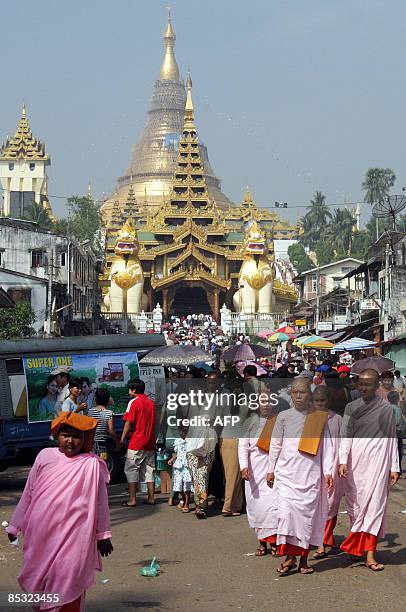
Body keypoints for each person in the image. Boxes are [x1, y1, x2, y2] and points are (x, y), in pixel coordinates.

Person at [6, 412, 113, 611]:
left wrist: (103, 535)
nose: (70, 441)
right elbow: (29, 493)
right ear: (57, 435)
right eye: (66, 435)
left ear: (84, 439)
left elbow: (100, 502)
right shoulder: (45, 456)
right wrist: (15, 525)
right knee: (41, 582)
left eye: (76, 436)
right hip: (41, 535)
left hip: (75, 536)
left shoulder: (91, 464)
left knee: (69, 578)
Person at [266, 378, 333, 575]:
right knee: (286, 516)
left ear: (310, 394)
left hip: (310, 475)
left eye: (302, 392)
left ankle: (303, 560)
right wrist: (271, 469)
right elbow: (275, 444)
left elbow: (327, 446)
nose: (298, 396)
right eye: (294, 392)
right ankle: (289, 557)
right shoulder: (284, 416)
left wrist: (328, 471)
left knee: (306, 520)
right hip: (286, 475)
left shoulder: (319, 418)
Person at [339, 369, 400, 571]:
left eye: (369, 384)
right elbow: (345, 436)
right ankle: (358, 548)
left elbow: (392, 438)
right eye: (361, 384)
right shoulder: (351, 407)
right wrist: (342, 461)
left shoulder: (385, 408)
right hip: (356, 461)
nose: (364, 387)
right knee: (356, 508)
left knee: (375, 507)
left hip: (379, 460)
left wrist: (394, 466)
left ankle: (371, 554)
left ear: (377, 386)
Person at [238, 396, 277, 556]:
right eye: (263, 402)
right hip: (253, 471)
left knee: (273, 507)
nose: (266, 405)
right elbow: (242, 446)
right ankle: (262, 543)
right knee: (257, 507)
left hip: (273, 469)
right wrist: (244, 467)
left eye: (268, 402)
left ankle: (274, 543)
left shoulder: (277, 421)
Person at [312, 386, 344, 558]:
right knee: (317, 504)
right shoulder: (307, 418)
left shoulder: (337, 418)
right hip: (314, 468)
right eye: (316, 401)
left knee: (332, 504)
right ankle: (320, 543)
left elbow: (343, 443)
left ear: (329, 401)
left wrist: (342, 463)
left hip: (334, 465)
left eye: (322, 401)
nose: (319, 404)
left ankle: (327, 539)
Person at [120, 379, 156, 507]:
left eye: (129, 389)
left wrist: (122, 439)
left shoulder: (133, 402)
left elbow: (128, 423)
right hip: (150, 442)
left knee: (131, 469)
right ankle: (151, 497)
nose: (129, 392)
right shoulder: (151, 403)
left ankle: (132, 499)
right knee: (149, 470)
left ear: (133, 390)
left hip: (137, 441)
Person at [88, 388, 118, 461]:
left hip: (91, 445)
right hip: (102, 445)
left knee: (92, 466)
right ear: (108, 400)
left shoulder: (90, 412)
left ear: (95, 399)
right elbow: (111, 432)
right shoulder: (108, 413)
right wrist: (118, 442)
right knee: (102, 465)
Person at [168, 428, 192, 513]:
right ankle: (184, 499)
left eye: (184, 431)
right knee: (179, 485)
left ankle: (187, 504)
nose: (182, 433)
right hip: (178, 465)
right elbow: (177, 453)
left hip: (187, 465)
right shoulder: (177, 440)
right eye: (180, 431)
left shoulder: (191, 440)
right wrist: (172, 459)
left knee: (187, 484)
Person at [387, 390, 404, 478]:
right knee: (398, 452)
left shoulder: (386, 407)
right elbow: (397, 422)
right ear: (397, 399)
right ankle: (397, 471)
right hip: (396, 433)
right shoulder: (396, 409)